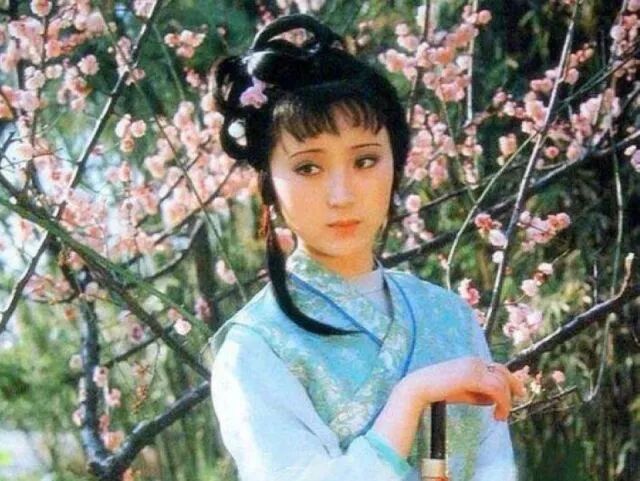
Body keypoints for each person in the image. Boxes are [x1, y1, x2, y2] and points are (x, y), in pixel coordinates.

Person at [208, 13, 525, 481]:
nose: (342, 195)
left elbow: (495, 466)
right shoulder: (255, 348)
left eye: (365, 160)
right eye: (308, 168)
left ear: (396, 164)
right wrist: (410, 397)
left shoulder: (448, 315)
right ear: (269, 183)